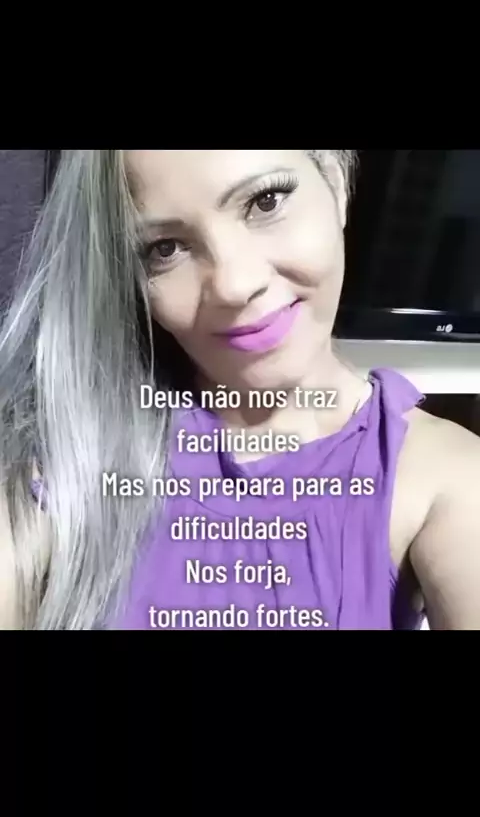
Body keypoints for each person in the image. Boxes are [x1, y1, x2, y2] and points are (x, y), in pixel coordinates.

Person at [1, 149, 479, 630]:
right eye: (165, 249)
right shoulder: (68, 461)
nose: (234, 285)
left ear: (335, 184)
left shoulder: (443, 478)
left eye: (266, 201)